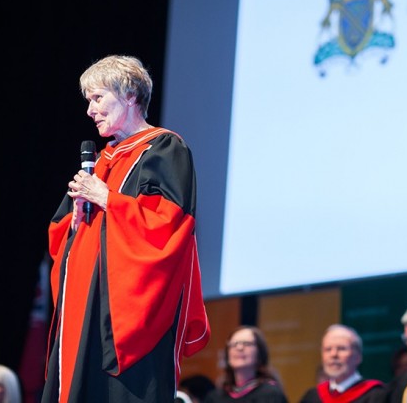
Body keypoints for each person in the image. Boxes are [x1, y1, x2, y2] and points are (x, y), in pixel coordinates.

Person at [41, 55, 210, 403]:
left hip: (125, 314)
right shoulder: (100, 162)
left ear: (130, 95)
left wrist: (108, 200)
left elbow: (169, 225)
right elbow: (59, 234)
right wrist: (74, 223)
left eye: (98, 98)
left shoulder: (164, 149)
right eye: (88, 100)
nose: (90, 110)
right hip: (83, 305)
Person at [299, 324, 386, 403]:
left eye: (341, 348)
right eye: (328, 349)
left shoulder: (376, 395)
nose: (333, 354)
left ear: (358, 356)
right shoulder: (312, 397)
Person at [203, 325, 287, 402]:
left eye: (247, 344)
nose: (239, 348)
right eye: (234, 344)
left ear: (259, 352)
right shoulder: (215, 397)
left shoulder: (271, 394)